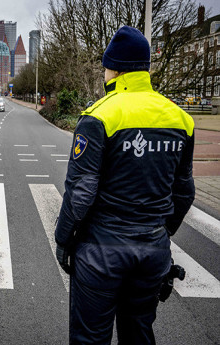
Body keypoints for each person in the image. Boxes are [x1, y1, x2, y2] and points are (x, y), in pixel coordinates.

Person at [54, 26, 195, 345]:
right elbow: (184, 192)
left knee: (91, 338)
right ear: (144, 69)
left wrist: (64, 239)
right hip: (153, 252)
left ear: (114, 69)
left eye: (105, 67)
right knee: (139, 333)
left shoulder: (100, 117)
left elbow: (81, 192)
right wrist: (159, 232)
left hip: (102, 252)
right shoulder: (180, 119)